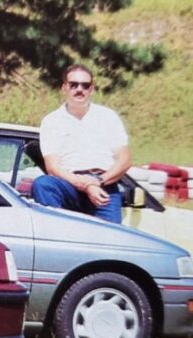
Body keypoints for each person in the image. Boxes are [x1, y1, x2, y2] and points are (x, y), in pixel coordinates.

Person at [31, 64, 131, 224]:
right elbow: (52, 167)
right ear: (64, 88)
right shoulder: (51, 121)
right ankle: (56, 232)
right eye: (73, 85)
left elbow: (124, 160)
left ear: (92, 89)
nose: (79, 89)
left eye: (85, 85)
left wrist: (98, 181)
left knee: (110, 237)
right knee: (43, 184)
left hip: (103, 187)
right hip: (69, 186)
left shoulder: (108, 117)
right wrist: (85, 185)